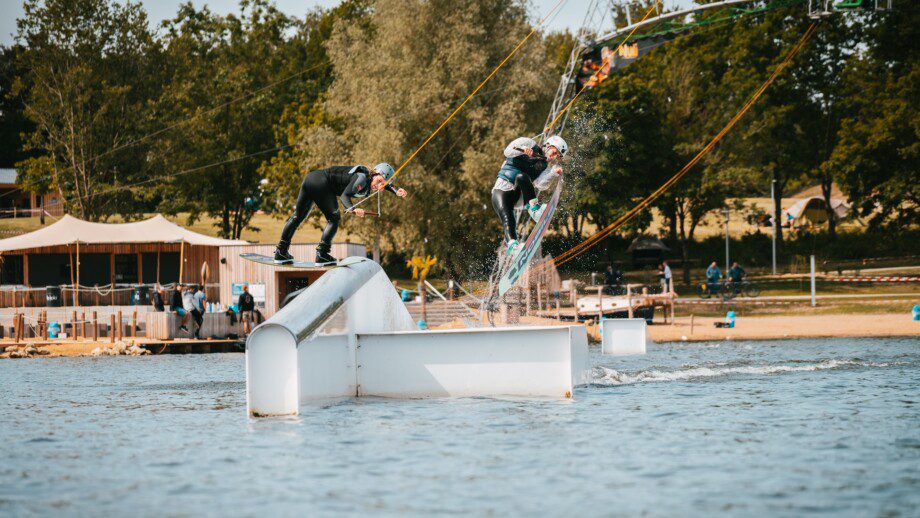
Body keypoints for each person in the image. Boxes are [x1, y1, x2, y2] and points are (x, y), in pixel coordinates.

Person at [274, 163, 408, 264]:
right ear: (374, 173)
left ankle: (281, 252)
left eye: (382, 186)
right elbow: (345, 196)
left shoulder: (371, 179)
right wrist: (352, 209)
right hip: (322, 183)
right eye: (379, 181)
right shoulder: (362, 179)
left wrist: (396, 190)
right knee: (334, 218)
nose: (378, 186)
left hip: (311, 179)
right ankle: (322, 254)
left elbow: (386, 183)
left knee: (297, 217)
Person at [491, 135, 567, 256]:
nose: (554, 157)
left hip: (518, 196)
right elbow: (507, 151)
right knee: (508, 219)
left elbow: (541, 185)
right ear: (548, 145)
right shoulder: (528, 143)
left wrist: (553, 173)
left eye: (557, 156)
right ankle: (513, 246)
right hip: (501, 191)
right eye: (554, 152)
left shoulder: (544, 166)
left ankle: (534, 210)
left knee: (522, 177)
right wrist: (524, 149)